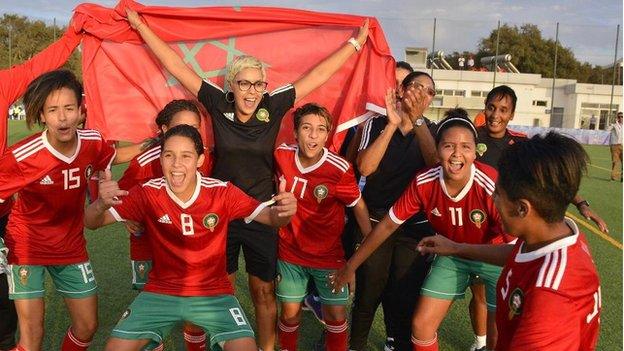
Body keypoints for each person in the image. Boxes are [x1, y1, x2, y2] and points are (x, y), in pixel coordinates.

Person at [125, 8, 369, 350]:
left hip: (260, 213)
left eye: (258, 84)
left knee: (263, 291)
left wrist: (355, 45)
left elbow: (317, 76)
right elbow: (178, 66)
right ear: (231, 86)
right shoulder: (217, 102)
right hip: (219, 212)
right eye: (244, 83)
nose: (252, 92)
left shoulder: (274, 104)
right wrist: (140, 25)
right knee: (214, 289)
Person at [83, 125, 297, 351]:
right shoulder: (147, 192)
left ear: (200, 159)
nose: (176, 164)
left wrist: (283, 213)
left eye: (186, 156)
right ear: (161, 158)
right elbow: (92, 222)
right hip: (161, 291)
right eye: (169, 155)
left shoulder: (221, 192)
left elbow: (271, 219)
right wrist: (100, 204)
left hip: (214, 293)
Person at [331, 109, 510, 351]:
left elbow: (515, 249)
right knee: (421, 325)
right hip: (452, 255)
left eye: (466, 147)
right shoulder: (424, 181)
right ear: (437, 150)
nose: (457, 154)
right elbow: (387, 225)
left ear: (475, 152)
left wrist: (458, 248)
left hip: (494, 256)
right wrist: (350, 266)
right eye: (448, 146)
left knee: (498, 337)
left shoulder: (490, 184)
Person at [416, 132, 601, 350]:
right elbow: (518, 255)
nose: (493, 200)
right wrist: (457, 248)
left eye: (498, 195)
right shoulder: (554, 232)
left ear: (522, 208)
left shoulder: (551, 299)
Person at [0, 70, 117, 351]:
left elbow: (107, 158)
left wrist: (157, 146)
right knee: (32, 338)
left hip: (71, 246)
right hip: (27, 248)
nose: (62, 118)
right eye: (53, 110)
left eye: (68, 108)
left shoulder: (92, 142)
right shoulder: (21, 157)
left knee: (87, 326)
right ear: (41, 115)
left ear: (80, 110)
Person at [0, 24, 83, 351]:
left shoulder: (2, 83)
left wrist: (74, 35)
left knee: (3, 302)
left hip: (2, 208)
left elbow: (40, 66)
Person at [349, 71, 437, 351]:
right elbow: (365, 168)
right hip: (375, 222)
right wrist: (391, 125)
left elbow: (436, 167)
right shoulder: (375, 124)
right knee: (367, 292)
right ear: (402, 89)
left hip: (414, 227)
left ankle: (395, 343)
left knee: (403, 294)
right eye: (416, 87)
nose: (421, 94)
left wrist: (418, 121)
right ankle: (356, 344)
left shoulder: (433, 131)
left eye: (429, 91)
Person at [273, 103, 371, 351]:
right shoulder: (281, 155)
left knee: (336, 316)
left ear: (327, 135)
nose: (313, 135)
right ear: (295, 133)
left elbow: (358, 206)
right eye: (306, 128)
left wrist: (369, 240)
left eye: (320, 130)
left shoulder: (339, 169)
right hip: (290, 252)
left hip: (328, 256)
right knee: (289, 314)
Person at [116, 99, 213, 351]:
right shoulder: (145, 160)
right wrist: (128, 216)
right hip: (148, 246)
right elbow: (122, 193)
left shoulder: (204, 158)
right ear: (163, 130)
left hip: (189, 248)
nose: (188, 133)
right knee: (151, 313)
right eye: (180, 127)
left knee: (194, 312)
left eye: (194, 128)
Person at [477, 85, 608, 233]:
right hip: (473, 215)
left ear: (512, 114)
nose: (495, 115)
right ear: (485, 108)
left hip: (505, 219)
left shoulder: (521, 143)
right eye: (491, 107)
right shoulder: (469, 138)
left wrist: (581, 204)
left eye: (503, 110)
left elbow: (549, 177)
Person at [608, 112, 622, 181]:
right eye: (619, 117)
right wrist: (613, 123)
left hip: (622, 145)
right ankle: (613, 177)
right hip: (615, 145)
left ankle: (622, 177)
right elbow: (607, 129)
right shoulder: (614, 125)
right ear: (617, 118)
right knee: (615, 162)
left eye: (622, 117)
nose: (621, 118)